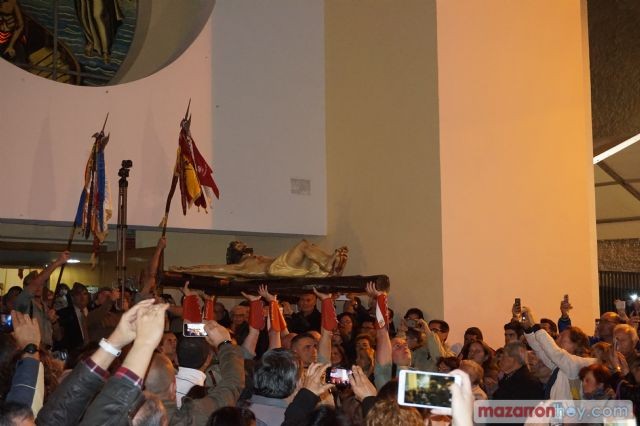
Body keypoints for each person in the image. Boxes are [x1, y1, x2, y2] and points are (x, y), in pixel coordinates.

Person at [170, 240, 348, 278]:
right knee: (302, 246)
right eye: (240, 247)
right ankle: (327, 262)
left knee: (309, 247)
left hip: (284, 267)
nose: (245, 247)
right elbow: (211, 268)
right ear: (235, 254)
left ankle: (328, 265)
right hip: (275, 270)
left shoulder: (257, 257)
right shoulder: (240, 266)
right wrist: (187, 269)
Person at [15, 252, 70, 349]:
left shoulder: (47, 307)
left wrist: (54, 321)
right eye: (34, 283)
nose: (38, 286)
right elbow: (37, 283)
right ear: (26, 287)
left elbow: (58, 337)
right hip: (31, 352)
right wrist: (57, 262)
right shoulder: (23, 301)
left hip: (48, 354)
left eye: (42, 283)